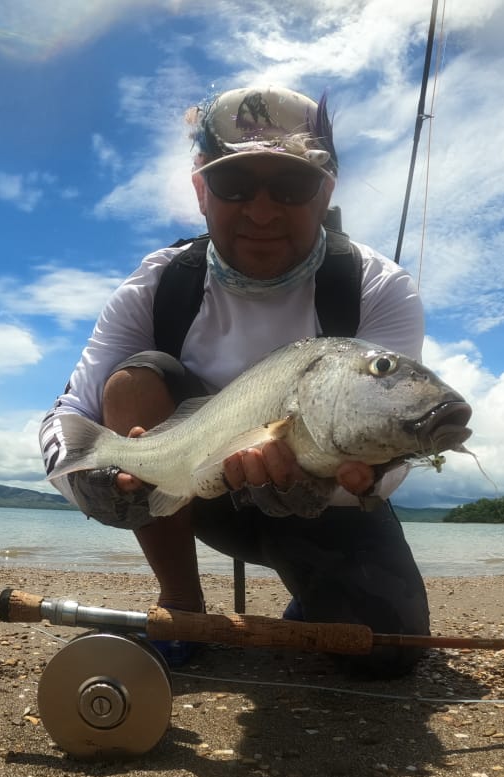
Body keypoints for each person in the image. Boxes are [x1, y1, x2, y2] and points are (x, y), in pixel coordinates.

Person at [39, 84, 430, 678]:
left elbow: (392, 440)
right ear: (200, 190)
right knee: (133, 382)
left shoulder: (377, 287)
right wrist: (89, 484)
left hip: (325, 505)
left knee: (385, 651)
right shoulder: (158, 284)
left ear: (327, 191)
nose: (263, 211)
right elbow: (70, 416)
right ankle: (180, 603)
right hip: (190, 491)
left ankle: (316, 595)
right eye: (234, 185)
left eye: (293, 186)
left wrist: (338, 483)